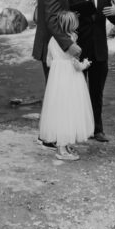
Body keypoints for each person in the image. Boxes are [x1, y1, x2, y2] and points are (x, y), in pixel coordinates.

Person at [69, 0, 115, 142]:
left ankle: (97, 130)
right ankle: (78, 128)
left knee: (97, 92)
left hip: (100, 51)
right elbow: (68, 23)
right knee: (78, 91)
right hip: (79, 50)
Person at [32, 0, 82, 147]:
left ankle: (49, 135)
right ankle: (48, 137)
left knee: (54, 91)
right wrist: (69, 44)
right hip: (52, 50)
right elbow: (53, 21)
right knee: (56, 92)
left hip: (50, 47)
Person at [39, 11, 94, 161]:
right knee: (70, 108)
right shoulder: (70, 39)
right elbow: (76, 64)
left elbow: (49, 62)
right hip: (70, 77)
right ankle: (62, 149)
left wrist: (59, 64)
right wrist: (85, 65)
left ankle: (63, 145)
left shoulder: (52, 40)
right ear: (71, 25)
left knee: (59, 108)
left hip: (56, 77)